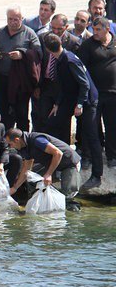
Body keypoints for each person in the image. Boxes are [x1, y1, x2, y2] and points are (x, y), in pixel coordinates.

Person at [43, 33, 102, 191]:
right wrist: (57, 104)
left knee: (92, 135)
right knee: (53, 124)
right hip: (71, 98)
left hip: (87, 101)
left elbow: (84, 84)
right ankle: (57, 165)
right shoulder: (61, 58)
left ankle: (97, 176)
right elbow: (64, 85)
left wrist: (80, 104)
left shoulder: (69, 59)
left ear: (48, 49)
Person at [0, 5, 42, 131]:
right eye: (10, 19)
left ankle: (23, 143)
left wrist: (22, 54)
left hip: (20, 81)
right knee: (1, 112)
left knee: (21, 114)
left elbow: (38, 53)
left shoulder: (29, 33)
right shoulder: (1, 32)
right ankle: (2, 140)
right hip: (2, 78)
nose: (12, 22)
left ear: (22, 19)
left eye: (16, 19)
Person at [5, 128, 81, 209]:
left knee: (68, 196)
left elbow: (58, 153)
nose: (11, 147)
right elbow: (26, 168)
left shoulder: (38, 140)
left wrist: (48, 174)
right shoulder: (24, 147)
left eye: (10, 144)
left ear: (17, 140)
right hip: (53, 165)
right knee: (32, 178)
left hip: (70, 163)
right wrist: (15, 188)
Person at [78, 17, 116, 168]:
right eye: (94, 29)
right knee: (91, 127)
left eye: (99, 29)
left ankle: (112, 156)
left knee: (112, 126)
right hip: (95, 94)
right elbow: (81, 69)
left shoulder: (114, 41)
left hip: (113, 93)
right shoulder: (88, 45)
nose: (95, 33)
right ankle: (88, 157)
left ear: (107, 29)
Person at [34, 14, 81, 133]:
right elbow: (38, 62)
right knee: (44, 117)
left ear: (66, 27)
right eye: (52, 28)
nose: (55, 31)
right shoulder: (43, 38)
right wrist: (37, 85)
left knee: (63, 121)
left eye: (59, 29)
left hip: (63, 87)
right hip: (46, 84)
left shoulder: (73, 42)